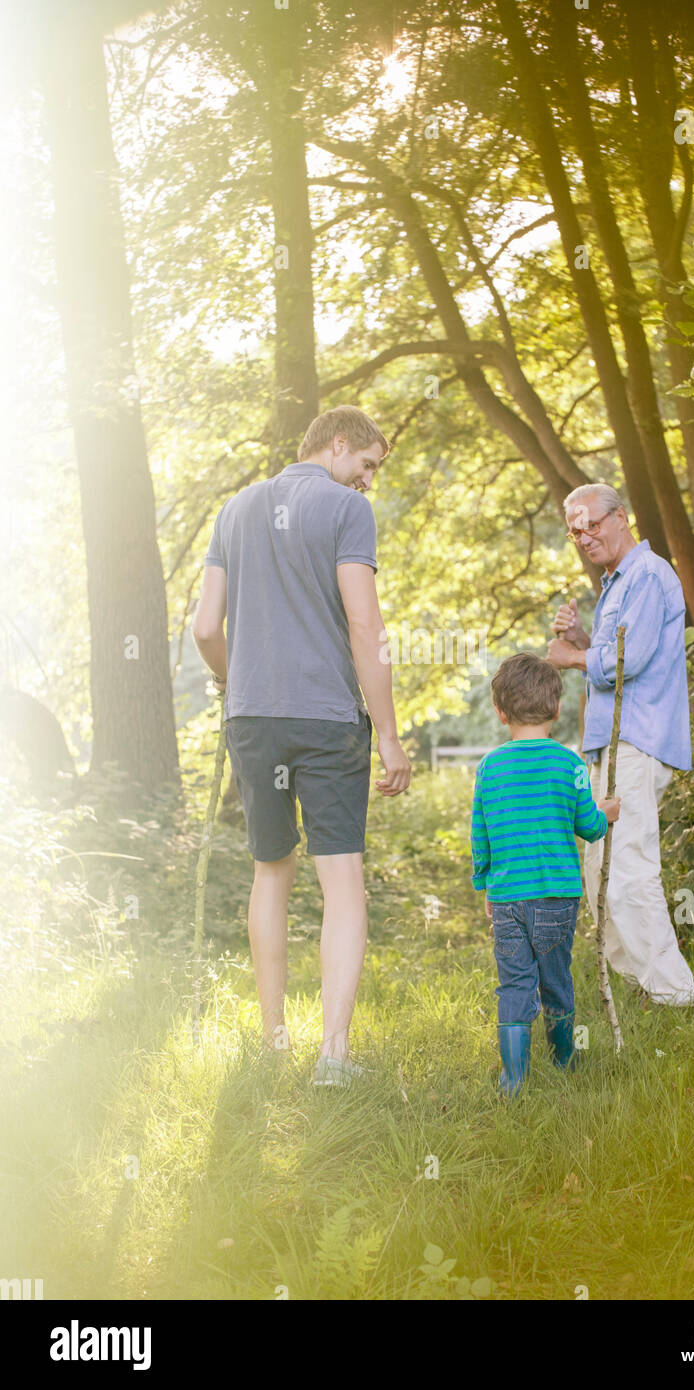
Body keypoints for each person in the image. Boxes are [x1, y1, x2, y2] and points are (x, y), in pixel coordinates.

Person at [192, 404, 411, 1086]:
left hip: (252, 718)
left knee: (271, 870)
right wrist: (391, 737)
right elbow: (364, 624)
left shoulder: (236, 510)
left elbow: (204, 627)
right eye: (368, 465)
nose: (368, 481)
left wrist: (239, 683)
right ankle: (334, 1059)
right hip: (326, 718)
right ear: (338, 445)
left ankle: (274, 1039)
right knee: (340, 879)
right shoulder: (347, 512)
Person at [547, 483, 694, 1007]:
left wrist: (568, 659)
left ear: (621, 517)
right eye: (574, 530)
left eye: (591, 523)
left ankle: (674, 995)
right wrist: (581, 644)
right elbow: (615, 656)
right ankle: (638, 989)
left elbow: (629, 662)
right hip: (609, 745)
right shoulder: (616, 583)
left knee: (628, 866)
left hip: (636, 740)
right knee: (599, 869)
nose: (583, 536)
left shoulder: (649, 576)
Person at [470, 652, 620, 1095]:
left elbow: (480, 836)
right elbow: (589, 827)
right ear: (556, 709)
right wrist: (607, 813)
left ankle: (513, 1080)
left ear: (501, 712)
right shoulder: (569, 764)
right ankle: (563, 1063)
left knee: (514, 983)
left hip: (508, 897)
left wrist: (485, 885)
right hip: (557, 898)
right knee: (557, 979)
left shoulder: (489, 768)